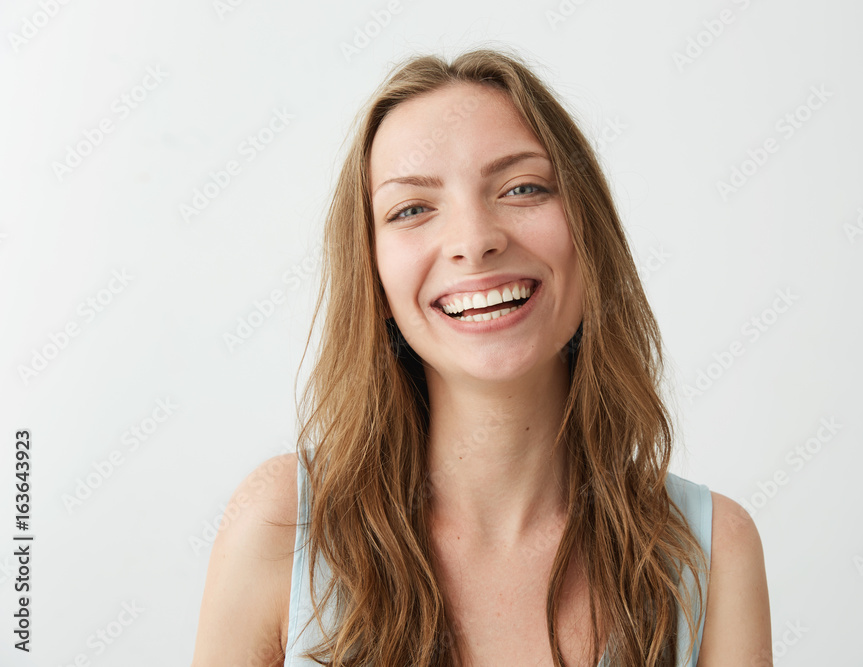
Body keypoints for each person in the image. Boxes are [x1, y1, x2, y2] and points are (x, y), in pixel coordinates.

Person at [192, 46, 771, 667]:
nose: (474, 240)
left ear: (589, 238)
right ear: (375, 279)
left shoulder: (710, 552)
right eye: (412, 208)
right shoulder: (281, 527)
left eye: (522, 188)